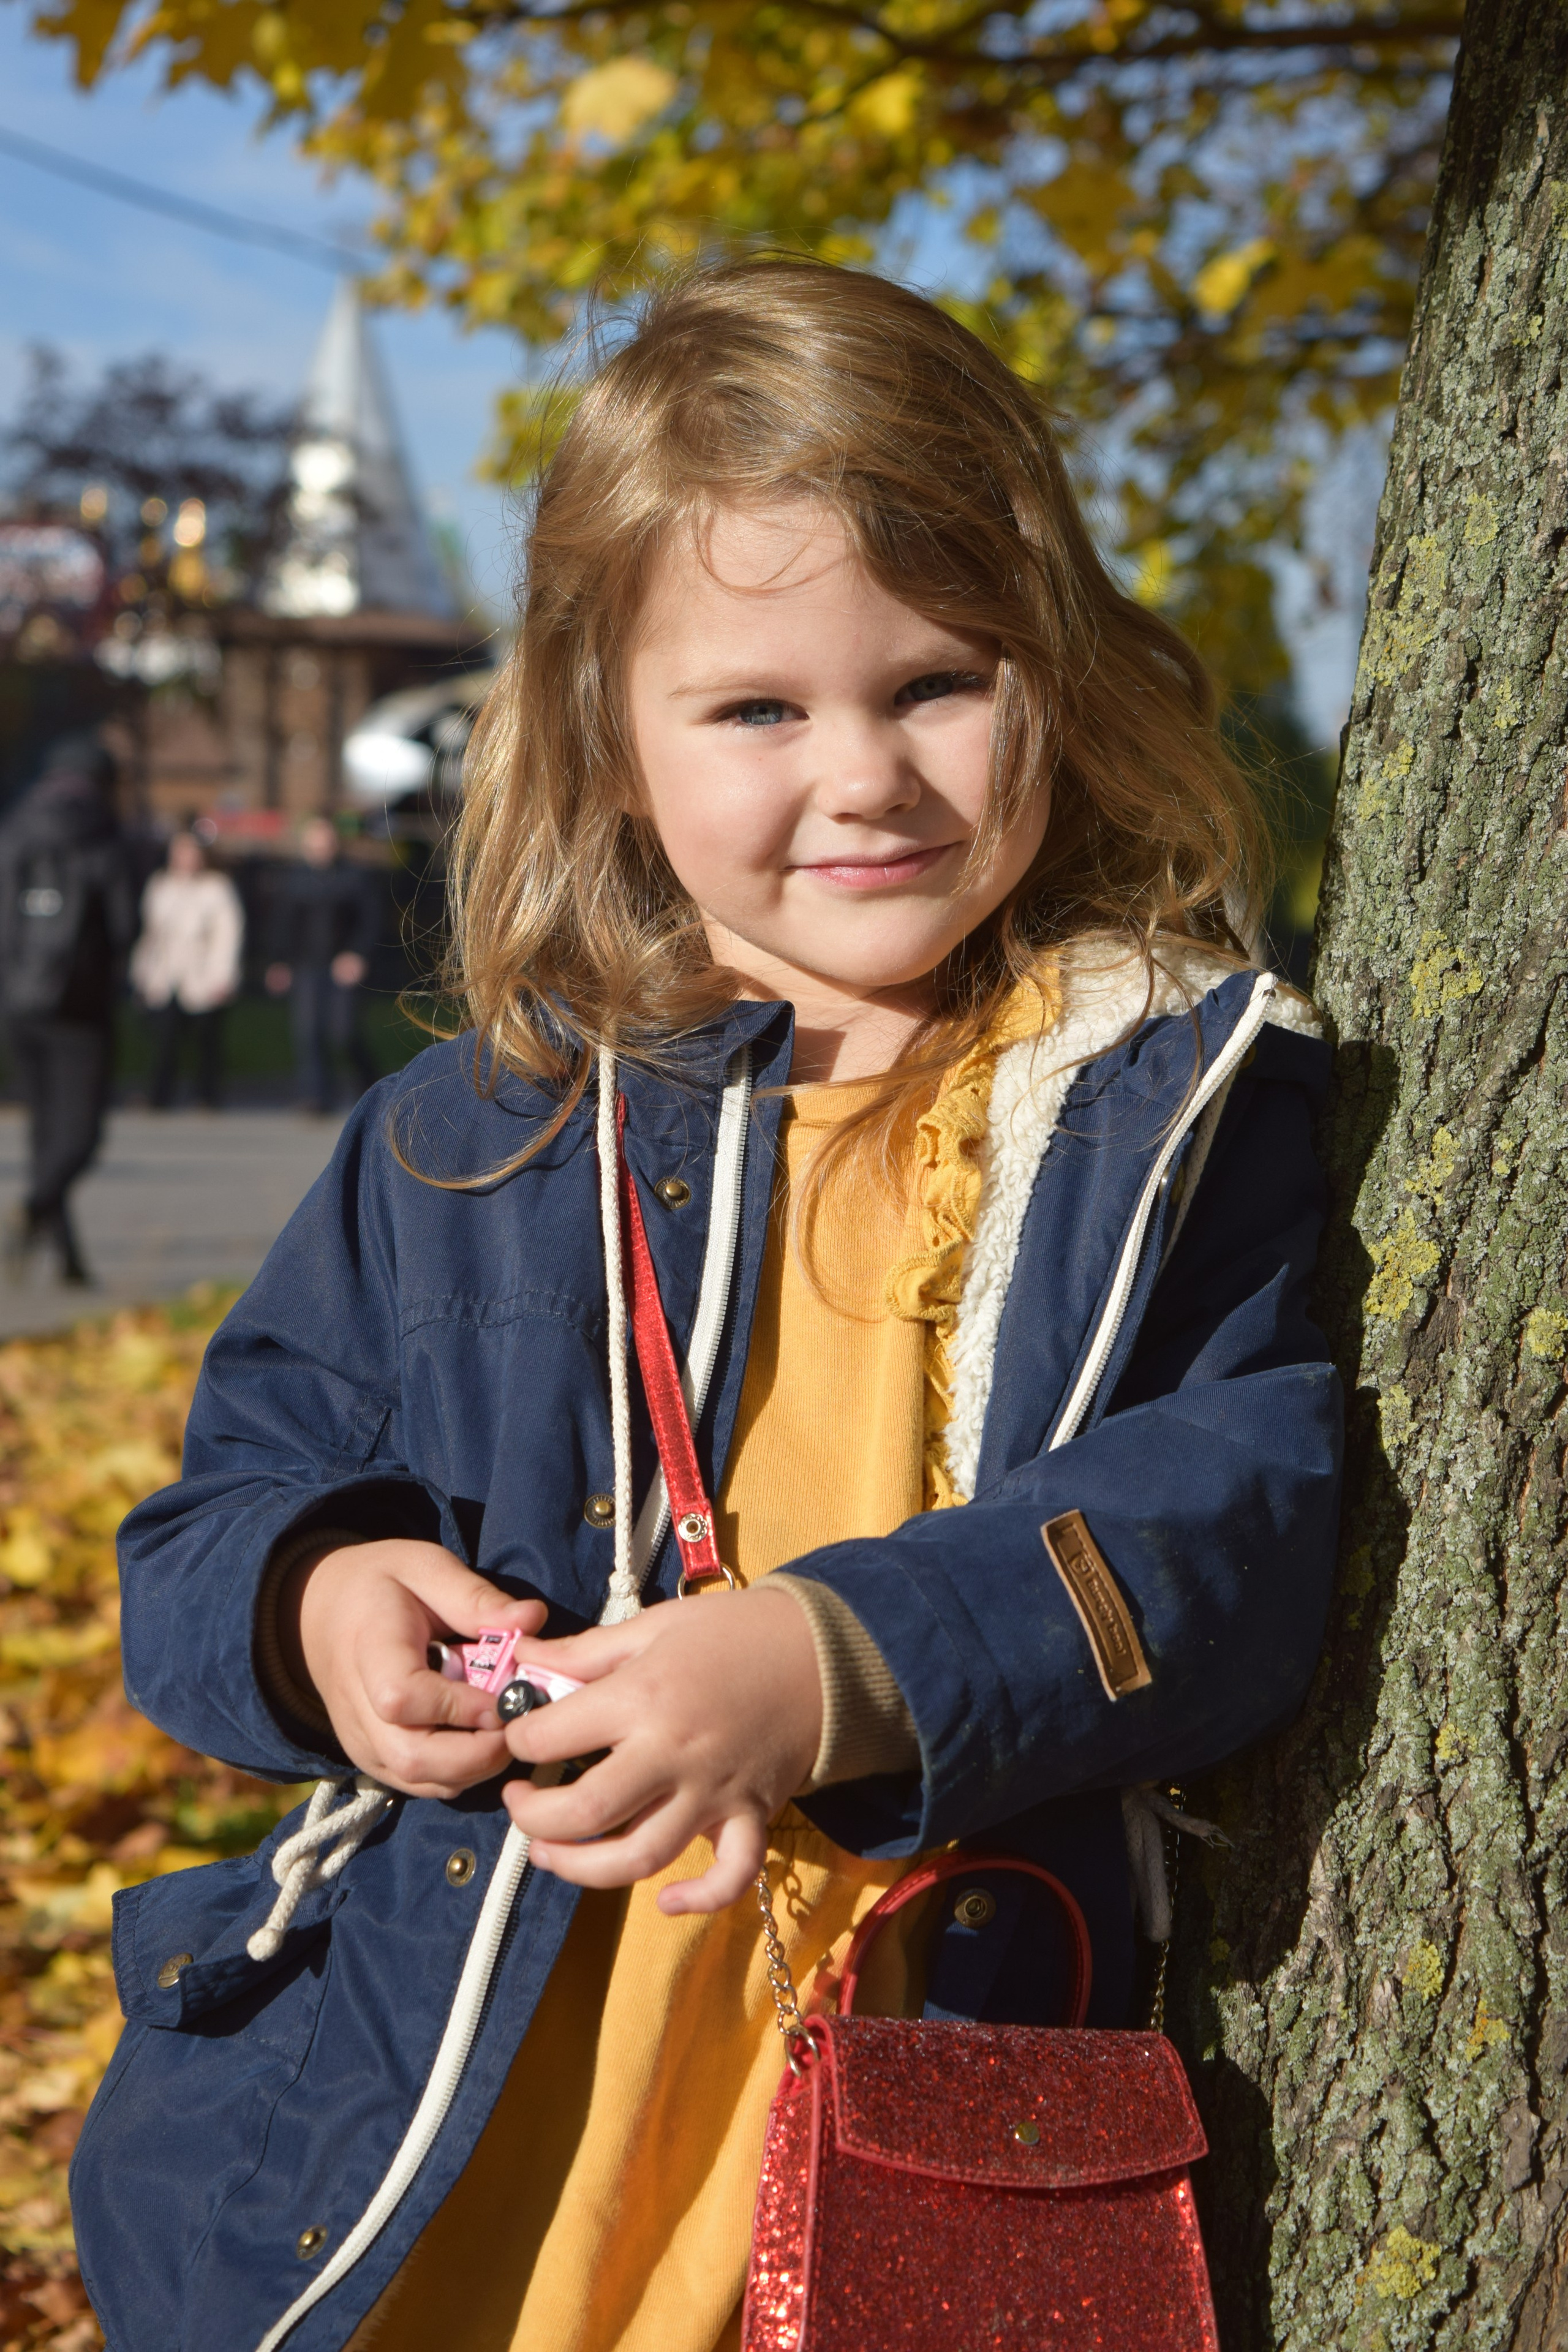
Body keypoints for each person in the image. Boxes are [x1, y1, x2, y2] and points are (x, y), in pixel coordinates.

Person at [75, 262, 1343, 2352]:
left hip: (908, 2068)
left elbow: (1244, 1509)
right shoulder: (473, 1133)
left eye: (938, 682)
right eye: (757, 709)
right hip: (449, 2102)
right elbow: (217, 1519)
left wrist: (842, 1663)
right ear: (610, 734)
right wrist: (321, 1603)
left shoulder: (1158, 1096)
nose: (863, 776)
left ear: (1062, 678)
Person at [0, 732, 135, 1286]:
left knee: (45, 1131)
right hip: (80, 1007)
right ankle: (36, 1207)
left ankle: (69, 1262)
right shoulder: (104, 836)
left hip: (19, 1002)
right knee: (80, 1136)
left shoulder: (15, 828)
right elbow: (125, 925)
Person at [265, 813, 380, 1113]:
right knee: (309, 1031)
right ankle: (317, 1097)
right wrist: (279, 962)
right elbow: (282, 925)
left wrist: (357, 954)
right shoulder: (293, 880)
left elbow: (370, 922)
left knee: (344, 1031)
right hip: (306, 965)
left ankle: (373, 1086)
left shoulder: (354, 877)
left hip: (342, 965)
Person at [130, 829, 244, 1110]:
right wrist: (142, 972)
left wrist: (223, 976)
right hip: (167, 975)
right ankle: (159, 1095)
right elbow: (150, 934)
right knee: (165, 1038)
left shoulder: (217, 888)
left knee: (206, 1040)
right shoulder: (160, 886)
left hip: (205, 976)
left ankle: (206, 1095)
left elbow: (228, 935)